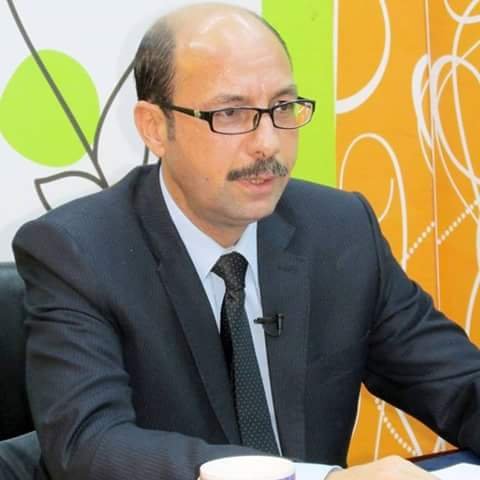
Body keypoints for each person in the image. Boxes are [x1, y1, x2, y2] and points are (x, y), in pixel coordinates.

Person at [12, 3, 480, 480]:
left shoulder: (340, 230)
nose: (268, 143)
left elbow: (459, 383)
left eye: (282, 108)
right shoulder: (77, 253)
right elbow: (89, 446)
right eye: (231, 113)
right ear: (155, 127)